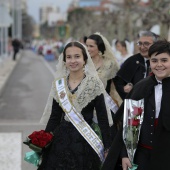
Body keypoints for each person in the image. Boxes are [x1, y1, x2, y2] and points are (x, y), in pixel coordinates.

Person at [38, 41, 112, 170]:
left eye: (77, 56)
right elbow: (55, 117)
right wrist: (44, 140)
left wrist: (107, 146)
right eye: (69, 57)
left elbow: (102, 118)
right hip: (60, 141)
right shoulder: (58, 84)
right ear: (64, 60)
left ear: (84, 59)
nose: (73, 61)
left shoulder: (94, 84)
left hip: (85, 143)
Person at [102, 39, 170, 170]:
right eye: (154, 60)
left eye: (164, 60)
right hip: (142, 155)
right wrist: (125, 154)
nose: (159, 65)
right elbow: (128, 125)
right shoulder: (141, 87)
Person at [113, 31, 158, 100]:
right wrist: (124, 89)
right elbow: (118, 81)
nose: (142, 47)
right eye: (140, 43)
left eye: (146, 44)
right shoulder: (132, 61)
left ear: (155, 44)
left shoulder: (161, 61)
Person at [85, 32, 122, 107]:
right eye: (87, 46)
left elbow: (118, 85)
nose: (88, 49)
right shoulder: (84, 63)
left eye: (91, 46)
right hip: (87, 106)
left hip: (106, 105)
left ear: (99, 47)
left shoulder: (110, 64)